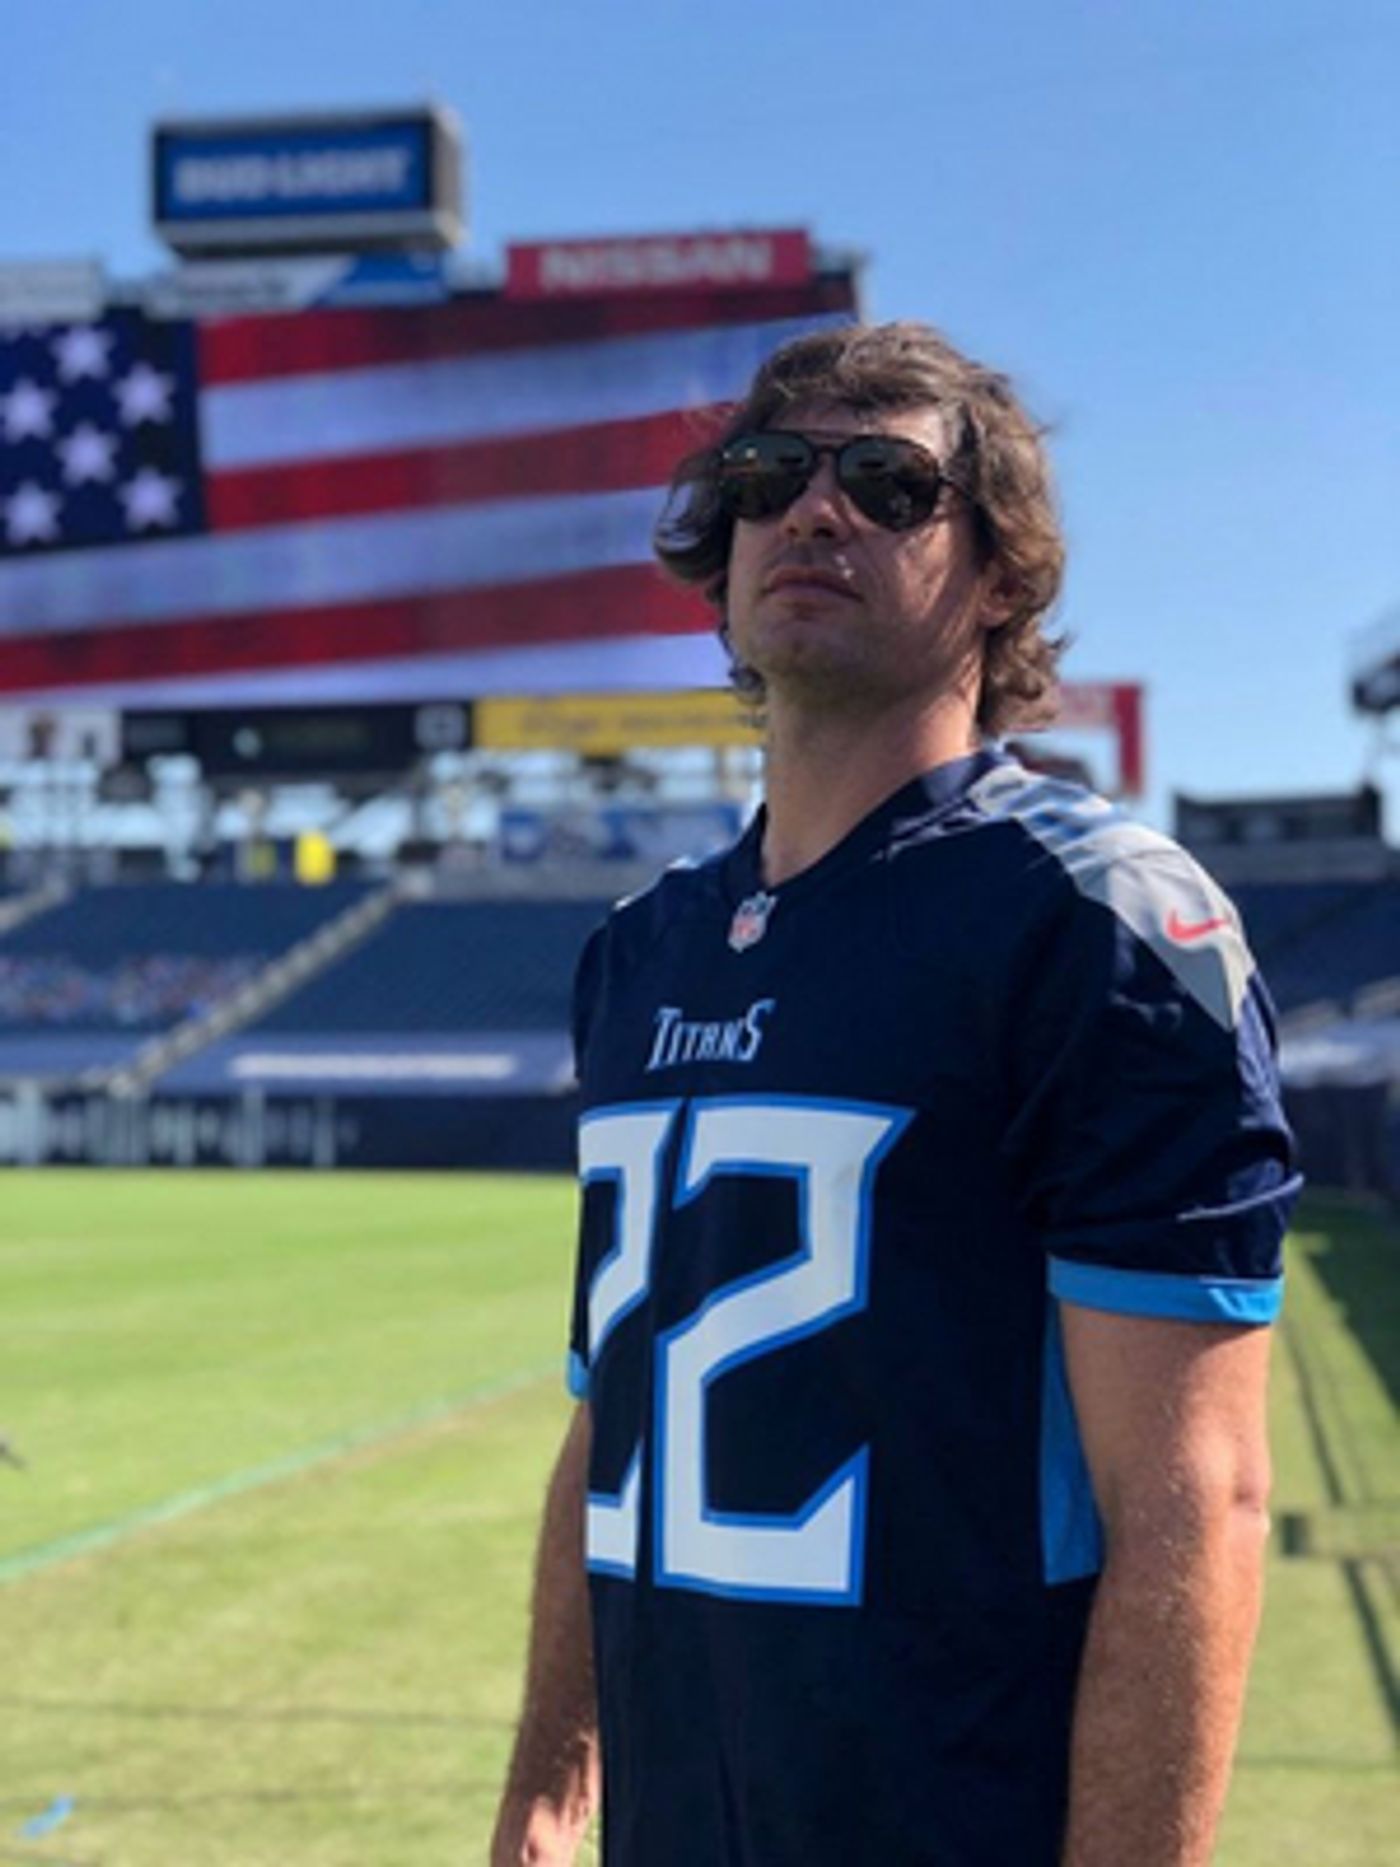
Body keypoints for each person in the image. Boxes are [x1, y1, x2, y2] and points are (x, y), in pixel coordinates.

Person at [491, 321, 1300, 1867]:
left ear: (998, 578)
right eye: (765, 475)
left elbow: (1193, 1503)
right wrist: (550, 1779)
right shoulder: (641, 948)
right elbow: (615, 1421)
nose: (812, 510)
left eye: (887, 483)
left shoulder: (1094, 920)